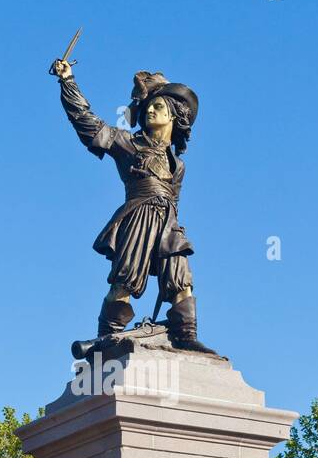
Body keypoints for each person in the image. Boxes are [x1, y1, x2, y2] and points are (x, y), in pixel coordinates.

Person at [51, 58, 211, 352]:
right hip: (138, 215)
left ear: (175, 115)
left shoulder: (179, 165)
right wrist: (68, 81)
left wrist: (173, 225)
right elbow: (88, 123)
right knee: (125, 281)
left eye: (159, 106)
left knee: (181, 279)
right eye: (149, 105)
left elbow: (173, 198)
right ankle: (106, 338)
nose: (150, 109)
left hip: (168, 221)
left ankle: (186, 335)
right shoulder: (127, 143)